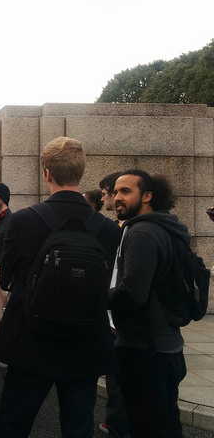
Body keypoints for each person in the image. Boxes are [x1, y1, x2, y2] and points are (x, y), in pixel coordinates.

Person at [0, 136, 121, 437]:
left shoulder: (24, 220)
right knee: (78, 426)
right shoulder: (107, 228)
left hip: (31, 337)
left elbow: (6, 277)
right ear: (81, 172)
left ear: (46, 173)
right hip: (85, 339)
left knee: (13, 424)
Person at [108, 170, 189, 437]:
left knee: (148, 426)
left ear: (147, 196)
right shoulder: (166, 226)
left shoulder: (142, 232)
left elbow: (133, 292)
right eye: (116, 191)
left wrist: (94, 299)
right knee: (164, 423)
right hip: (164, 344)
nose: (117, 197)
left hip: (145, 350)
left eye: (125, 191)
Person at [97, 172, 130, 437]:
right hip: (116, 313)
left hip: (120, 316)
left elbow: (124, 278)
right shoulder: (120, 228)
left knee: (119, 376)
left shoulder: (130, 231)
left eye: (105, 193)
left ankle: (119, 424)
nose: (108, 198)